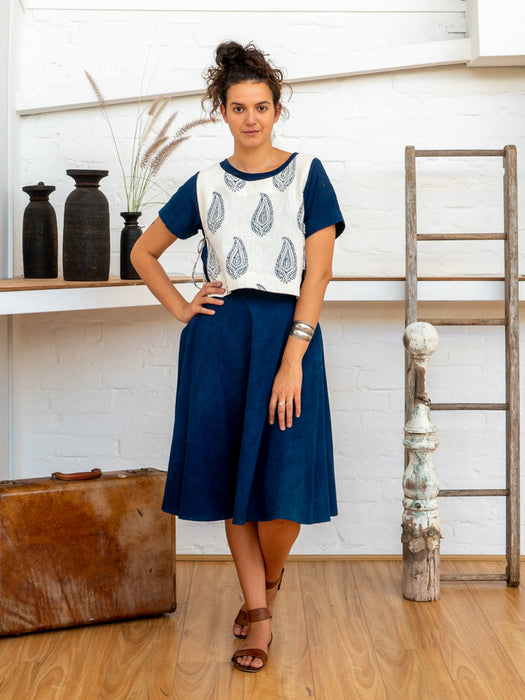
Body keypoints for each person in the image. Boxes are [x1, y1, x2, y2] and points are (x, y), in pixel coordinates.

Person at [131, 40, 345, 673]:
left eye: (261, 107)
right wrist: (181, 307)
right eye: (238, 107)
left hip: (288, 338)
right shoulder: (204, 184)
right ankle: (259, 616)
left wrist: (293, 358)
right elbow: (143, 252)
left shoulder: (308, 175)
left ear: (277, 110)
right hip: (220, 344)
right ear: (221, 111)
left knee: (283, 491)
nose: (250, 118)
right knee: (234, 483)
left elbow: (318, 273)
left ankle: (268, 581)